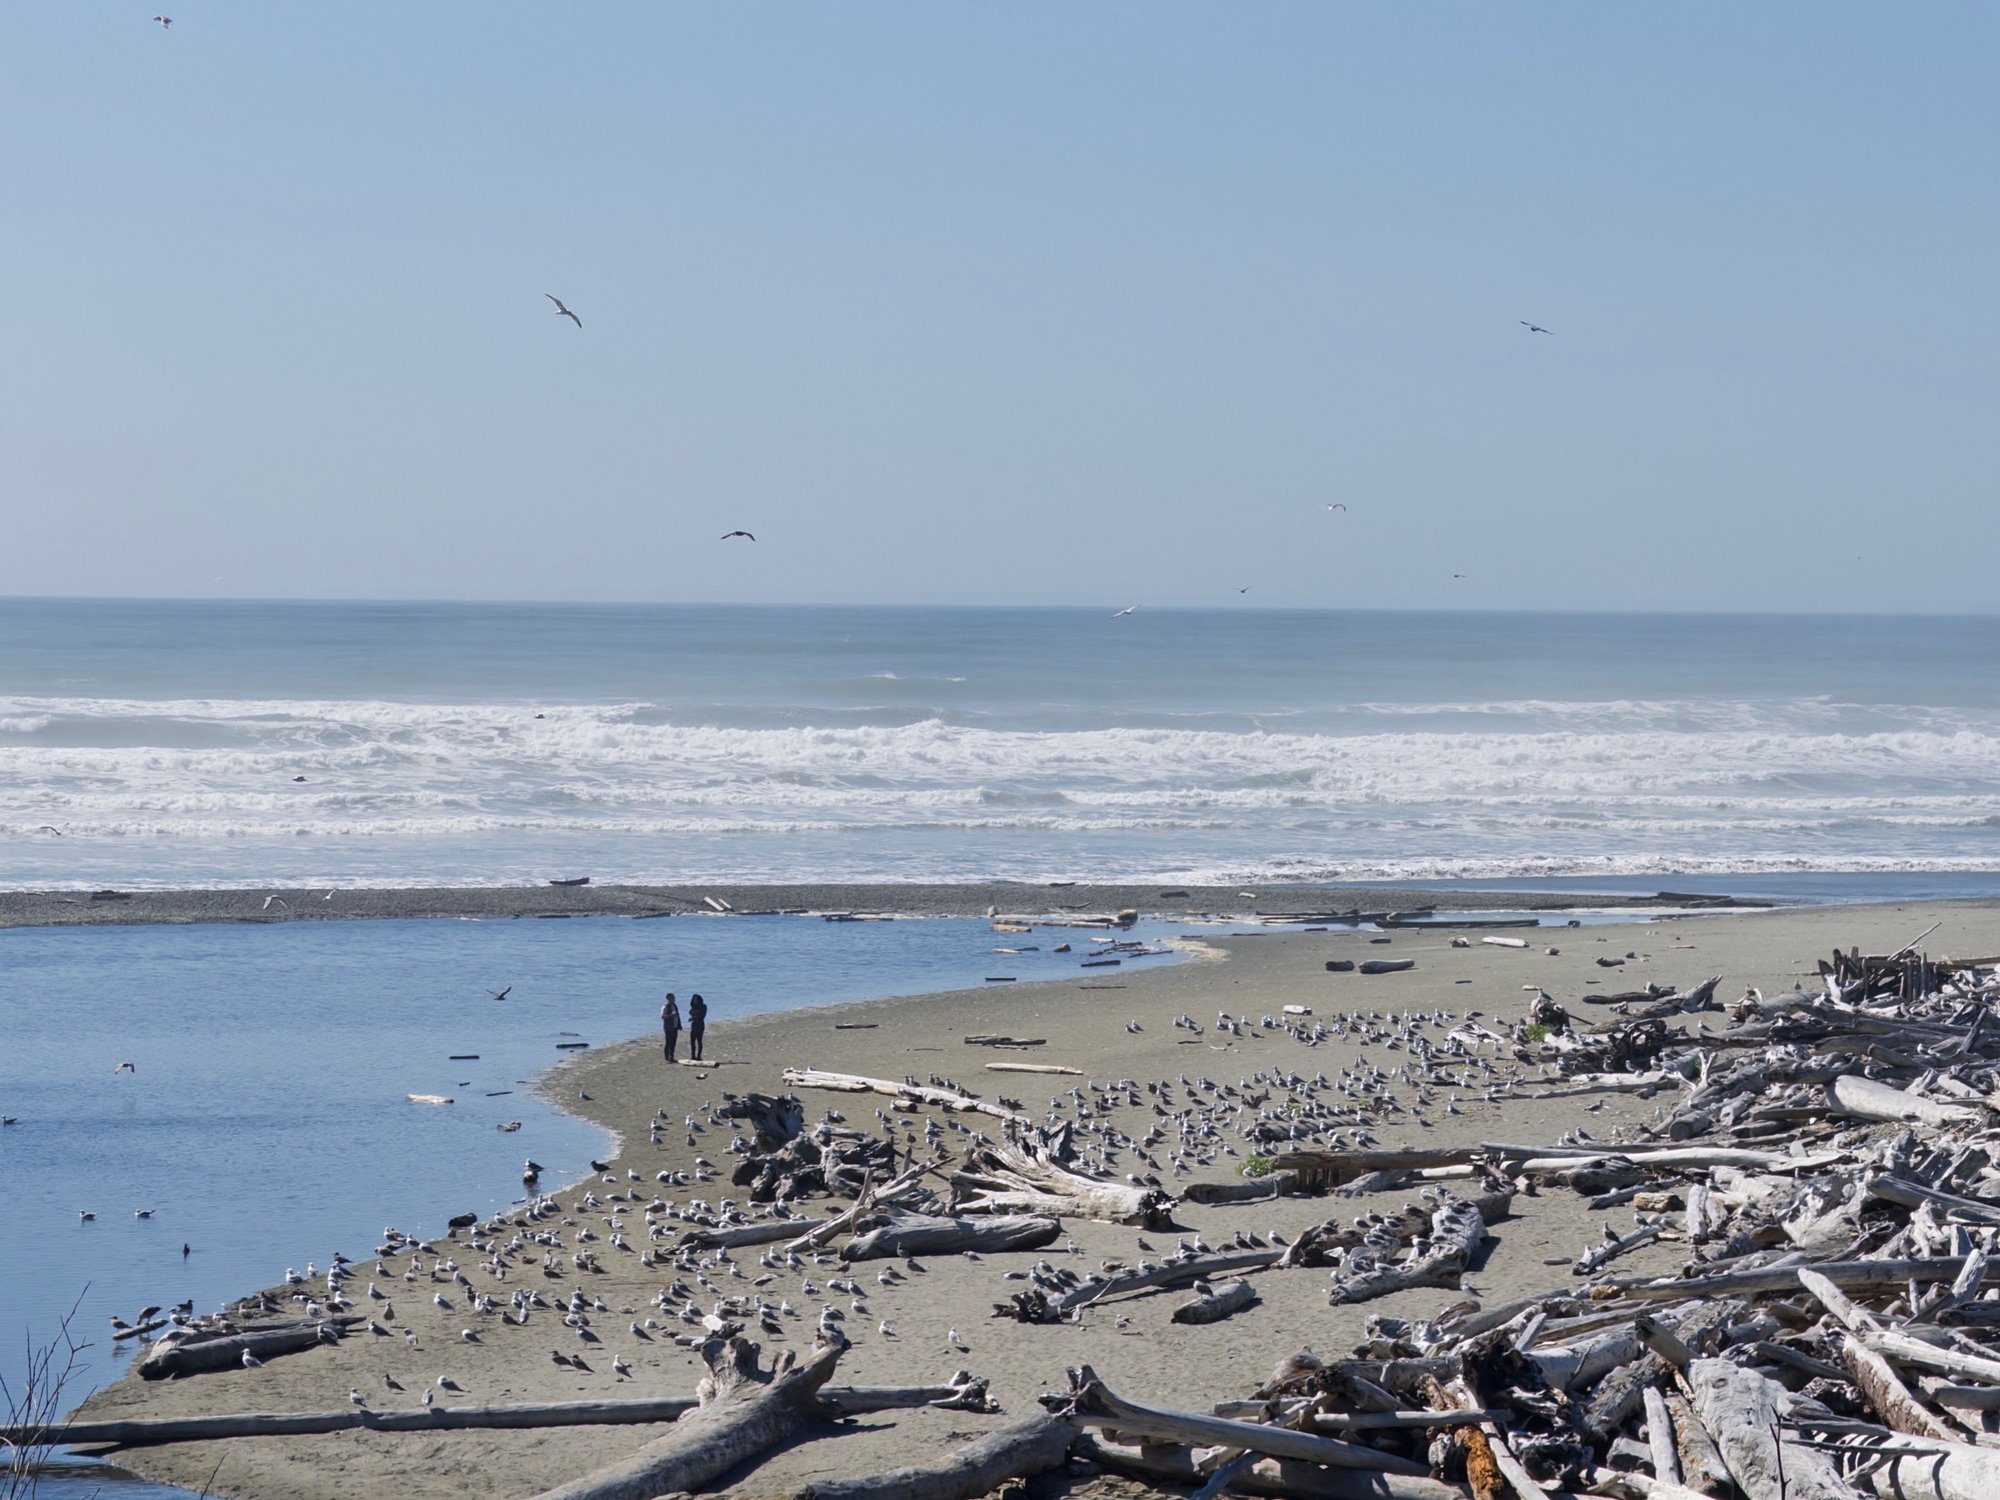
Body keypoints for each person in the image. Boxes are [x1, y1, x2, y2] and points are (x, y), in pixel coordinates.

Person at [660, 993, 682, 1064]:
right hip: (668, 1028)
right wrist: (671, 1015)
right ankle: (667, 1057)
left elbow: (677, 1016)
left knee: (673, 1043)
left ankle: (671, 1057)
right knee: (668, 1042)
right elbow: (663, 1017)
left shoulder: (675, 1005)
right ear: (668, 999)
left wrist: (679, 1025)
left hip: (675, 1027)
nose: (673, 999)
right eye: (671, 998)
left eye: (673, 998)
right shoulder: (665, 1007)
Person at [687, 993, 707, 1062]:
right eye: (694, 999)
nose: (695, 1001)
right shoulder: (693, 1007)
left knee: (699, 1040)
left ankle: (699, 1056)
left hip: (700, 1025)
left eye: (696, 999)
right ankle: (693, 1055)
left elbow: (701, 1016)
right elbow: (691, 1013)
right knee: (692, 1041)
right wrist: (692, 1018)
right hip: (694, 1025)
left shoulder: (703, 1006)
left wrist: (693, 1018)